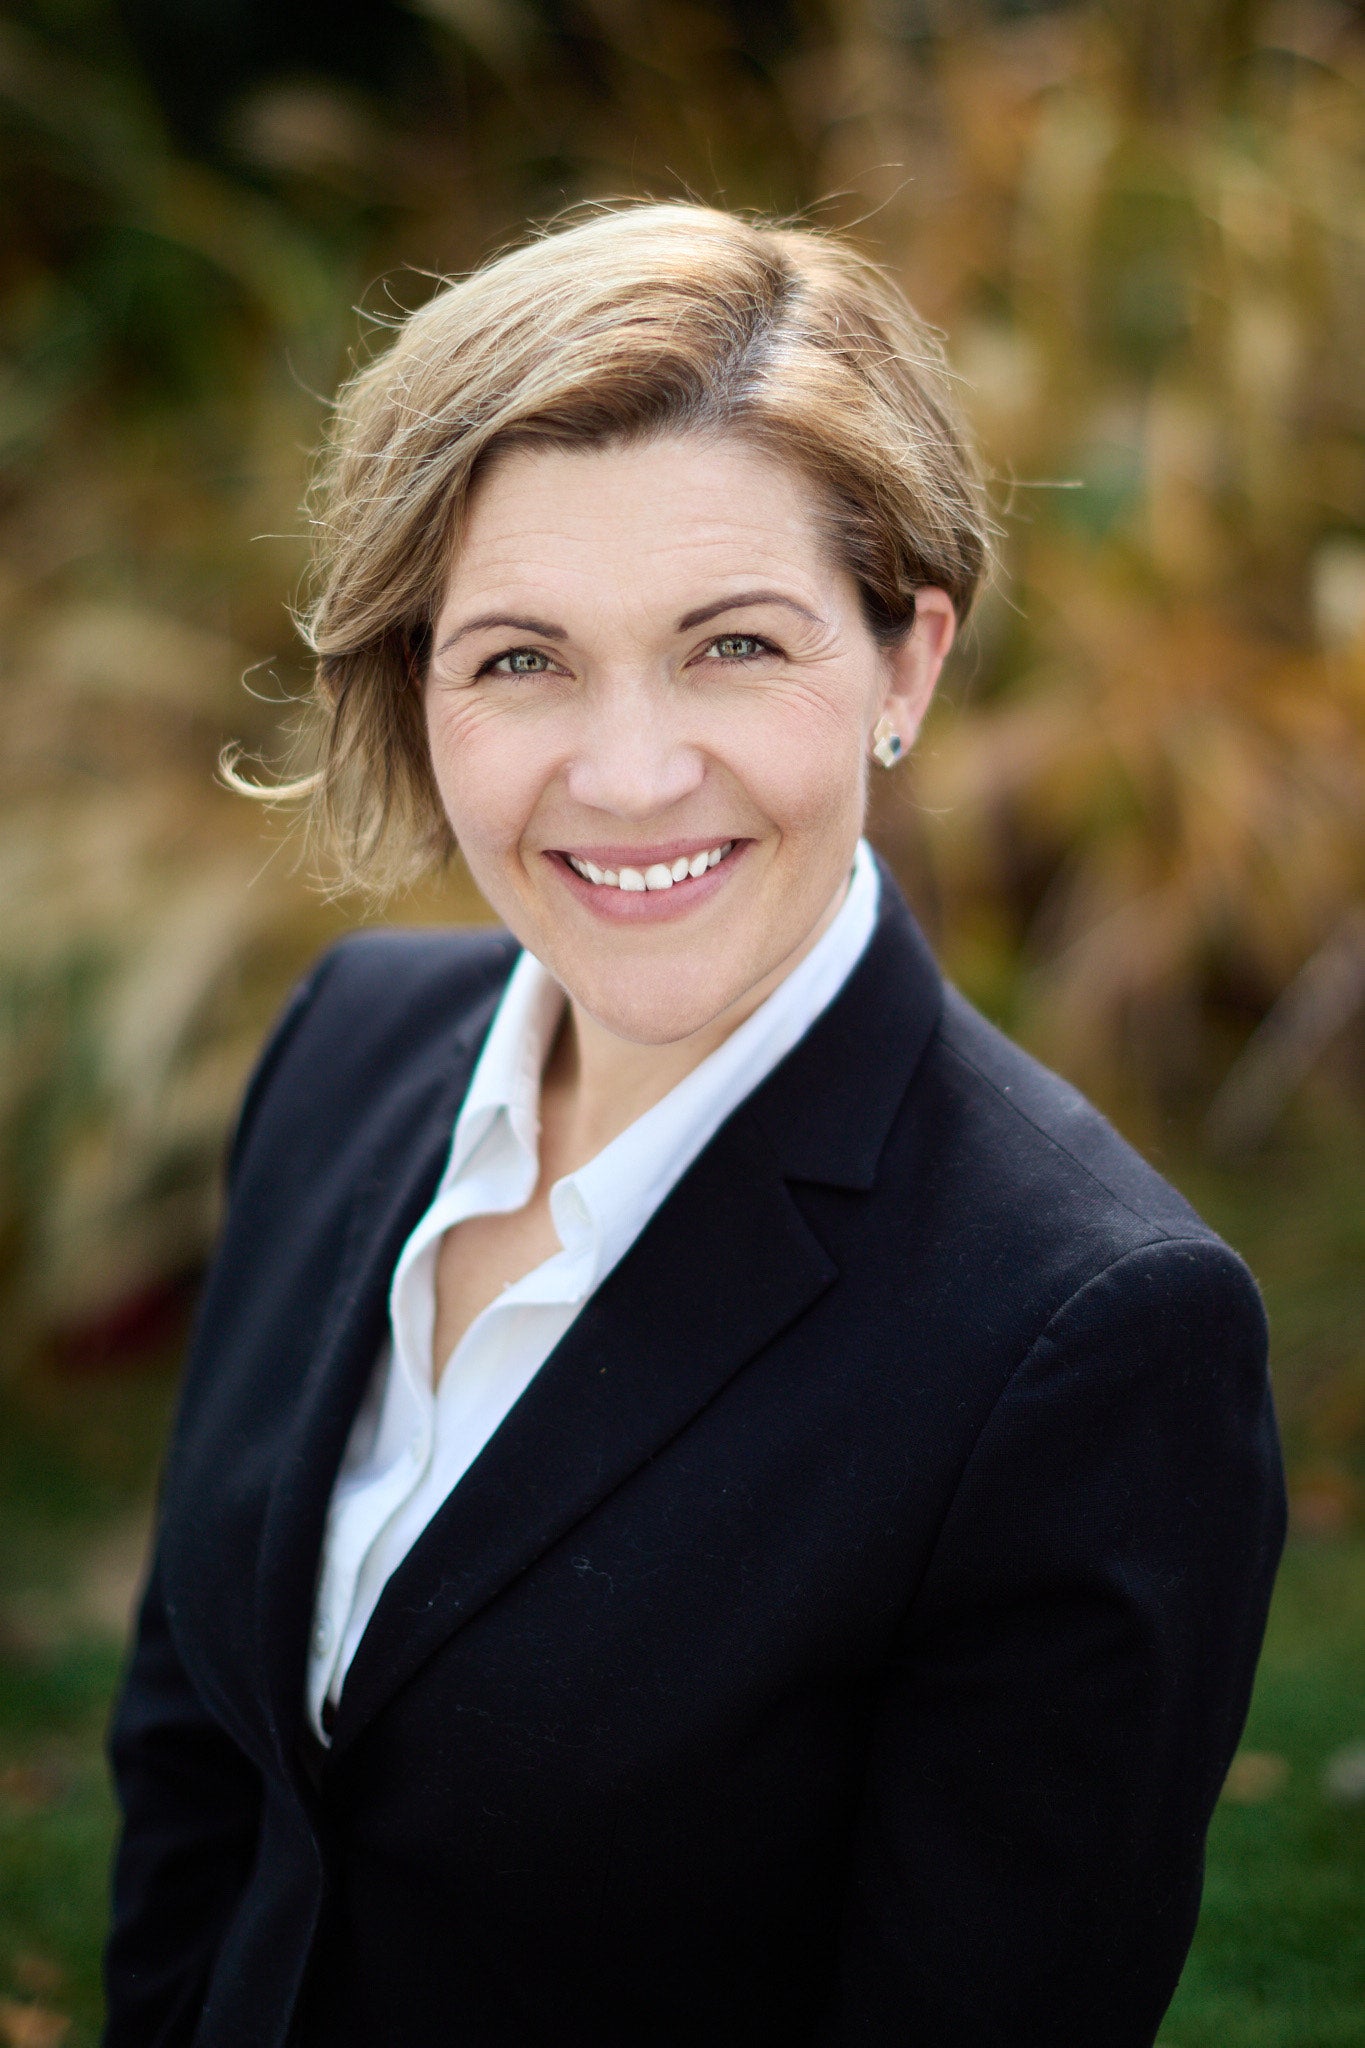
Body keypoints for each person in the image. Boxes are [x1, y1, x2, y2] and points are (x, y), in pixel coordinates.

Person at [103, 202, 1285, 2048]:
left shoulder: (1089, 1333)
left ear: (905, 663)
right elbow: (199, 1755)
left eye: (731, 646)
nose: (629, 771)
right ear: (419, 687)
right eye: (521, 658)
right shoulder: (346, 1049)